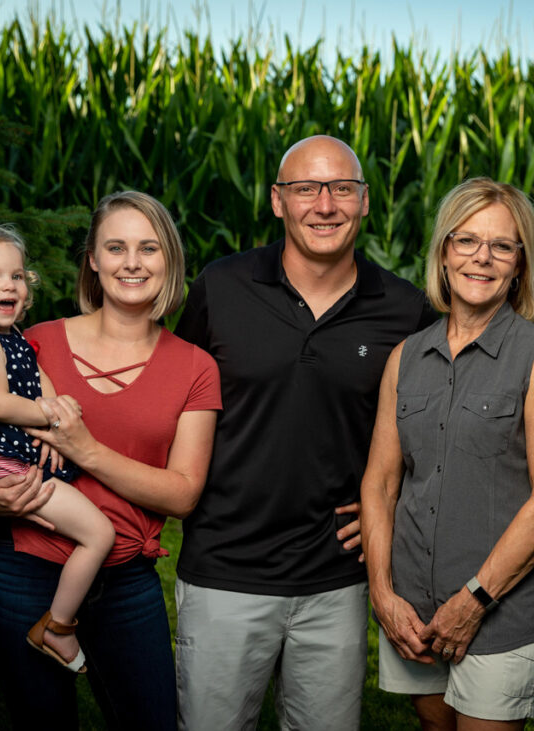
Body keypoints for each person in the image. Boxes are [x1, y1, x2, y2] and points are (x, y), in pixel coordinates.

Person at [173, 134, 437, 730]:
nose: (325, 204)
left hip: (336, 581)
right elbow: (172, 401)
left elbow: (429, 434)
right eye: (306, 189)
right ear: (277, 201)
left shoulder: (403, 308)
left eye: (342, 188)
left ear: (364, 201)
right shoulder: (222, 286)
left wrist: (384, 517)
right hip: (225, 570)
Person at [0, 191, 221, 730]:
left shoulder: (195, 367)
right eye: (116, 247)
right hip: (22, 568)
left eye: (148, 248)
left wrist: (86, 450)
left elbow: (182, 494)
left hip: (126, 579)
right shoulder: (32, 343)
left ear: (169, 260)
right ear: (94, 260)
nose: (132, 262)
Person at [361, 177, 534, 728]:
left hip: (498, 612)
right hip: (412, 610)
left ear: (520, 265)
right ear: (443, 252)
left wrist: (474, 600)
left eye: (502, 246)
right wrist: (383, 594)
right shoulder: (406, 357)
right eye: (466, 241)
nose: (482, 258)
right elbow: (381, 483)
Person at [0, 227, 114, 674]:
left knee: (81, 524)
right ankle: (59, 627)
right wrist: (52, 418)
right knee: (99, 534)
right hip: (6, 462)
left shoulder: (10, 338)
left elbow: (41, 386)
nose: (8, 285)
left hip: (10, 454)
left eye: (16, 275)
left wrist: (60, 411)